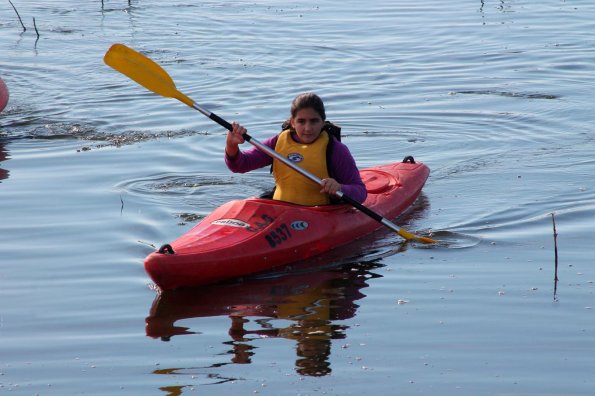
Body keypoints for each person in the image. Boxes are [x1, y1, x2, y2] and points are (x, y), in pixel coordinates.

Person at [225, 93, 367, 206]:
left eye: (314, 121)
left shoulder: (335, 149)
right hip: (281, 211)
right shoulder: (277, 142)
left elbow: (360, 192)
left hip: (319, 215)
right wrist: (231, 146)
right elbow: (240, 165)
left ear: (323, 122)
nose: (308, 128)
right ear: (292, 122)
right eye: (301, 121)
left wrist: (340, 188)